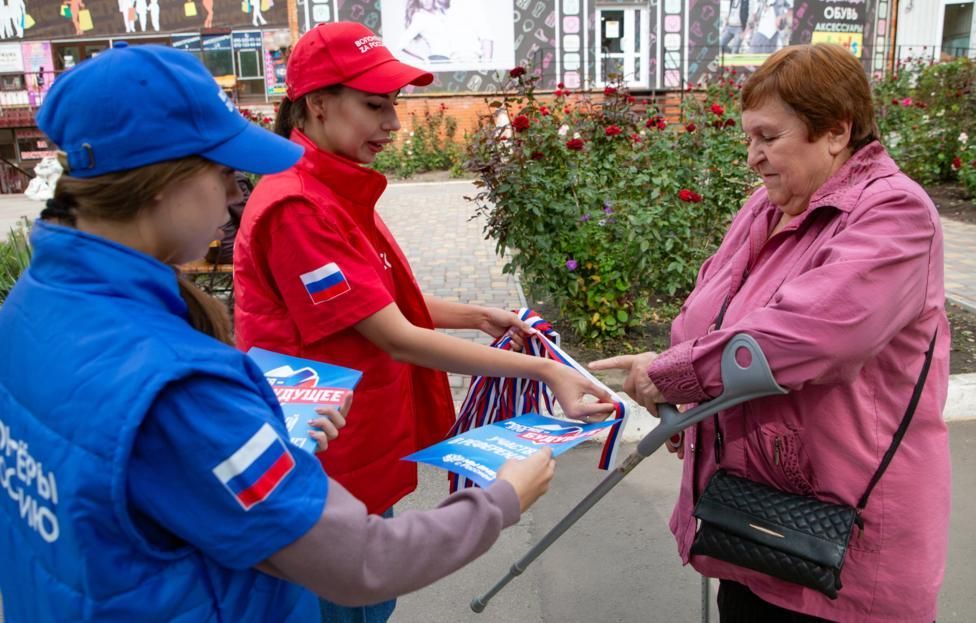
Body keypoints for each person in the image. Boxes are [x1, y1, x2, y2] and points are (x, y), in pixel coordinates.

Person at [0, 43, 558, 623]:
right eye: (224, 174)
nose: (234, 198)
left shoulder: (32, 305)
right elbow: (360, 560)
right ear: (164, 182)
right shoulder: (182, 385)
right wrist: (502, 497)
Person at [233, 21, 615, 623]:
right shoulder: (298, 206)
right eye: (374, 105)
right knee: (344, 601)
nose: (391, 123)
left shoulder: (333, 188)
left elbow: (371, 304)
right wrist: (544, 371)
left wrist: (475, 313)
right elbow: (394, 335)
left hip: (355, 441)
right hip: (325, 457)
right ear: (317, 104)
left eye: (393, 106)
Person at [591, 44, 950, 622]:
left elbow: (806, 338)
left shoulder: (894, 215)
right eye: (748, 138)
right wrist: (680, 366)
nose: (753, 157)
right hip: (748, 524)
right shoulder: (767, 208)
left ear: (835, 131)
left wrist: (675, 373)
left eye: (768, 137)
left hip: (839, 547)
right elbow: (711, 324)